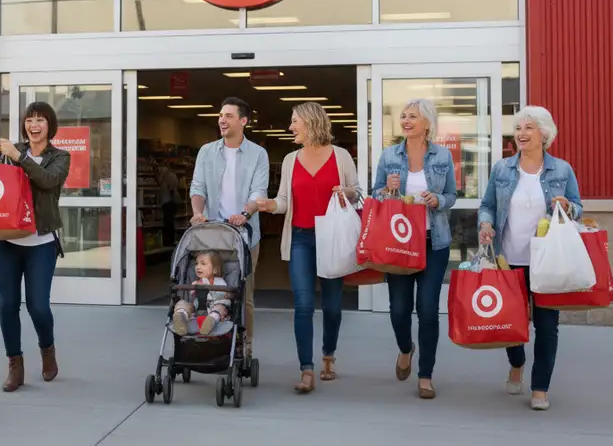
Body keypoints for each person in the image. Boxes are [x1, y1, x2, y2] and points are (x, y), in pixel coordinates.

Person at [478, 105, 582, 411]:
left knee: (547, 326)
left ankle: (540, 388)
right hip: (509, 258)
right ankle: (517, 362)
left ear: (544, 134)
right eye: (518, 128)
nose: (521, 134)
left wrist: (569, 207)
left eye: (528, 128)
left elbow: (577, 207)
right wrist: (486, 223)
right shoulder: (502, 169)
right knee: (511, 322)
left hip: (547, 261)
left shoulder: (561, 170)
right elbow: (486, 205)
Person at [256, 102, 360, 394]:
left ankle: (328, 354)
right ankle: (307, 370)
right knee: (302, 305)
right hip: (300, 238)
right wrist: (270, 205)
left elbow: (356, 192)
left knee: (332, 306)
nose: (291, 127)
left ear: (311, 122)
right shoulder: (291, 160)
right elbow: (285, 200)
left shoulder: (340, 157)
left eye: (295, 122)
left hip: (332, 238)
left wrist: (346, 192)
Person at [0, 102, 71, 393]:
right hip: (6, 240)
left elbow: (47, 181)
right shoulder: (13, 149)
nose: (34, 124)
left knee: (38, 306)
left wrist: (20, 157)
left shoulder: (60, 157)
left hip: (40, 243)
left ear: (49, 126)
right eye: (30, 119)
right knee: (7, 306)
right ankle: (14, 364)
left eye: (40, 119)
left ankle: (47, 349)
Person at [372, 99, 457, 399]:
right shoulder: (389, 155)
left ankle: (426, 375)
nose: (406, 121)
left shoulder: (443, 155)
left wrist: (438, 200)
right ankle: (406, 348)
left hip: (434, 242)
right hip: (399, 243)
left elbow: (451, 195)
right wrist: (386, 189)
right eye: (403, 116)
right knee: (398, 310)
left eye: (413, 117)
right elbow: (375, 195)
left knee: (428, 310)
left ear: (427, 123)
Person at [189, 97, 269, 352]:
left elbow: (259, 191)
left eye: (229, 116)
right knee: (207, 287)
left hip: (245, 235)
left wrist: (245, 213)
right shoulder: (207, 151)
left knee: (243, 293)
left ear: (243, 121)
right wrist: (197, 212)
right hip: (212, 234)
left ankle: (245, 344)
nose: (222, 120)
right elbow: (198, 187)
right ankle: (207, 334)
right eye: (220, 115)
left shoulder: (258, 154)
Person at [171, 250, 232, 336]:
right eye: (196, 264)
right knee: (183, 303)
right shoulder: (196, 282)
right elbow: (193, 297)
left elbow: (224, 294)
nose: (198, 267)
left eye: (203, 264)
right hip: (197, 310)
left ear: (215, 270)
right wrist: (195, 289)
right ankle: (181, 316)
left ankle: (210, 321)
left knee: (220, 308)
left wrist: (207, 287)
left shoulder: (218, 281)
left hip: (214, 307)